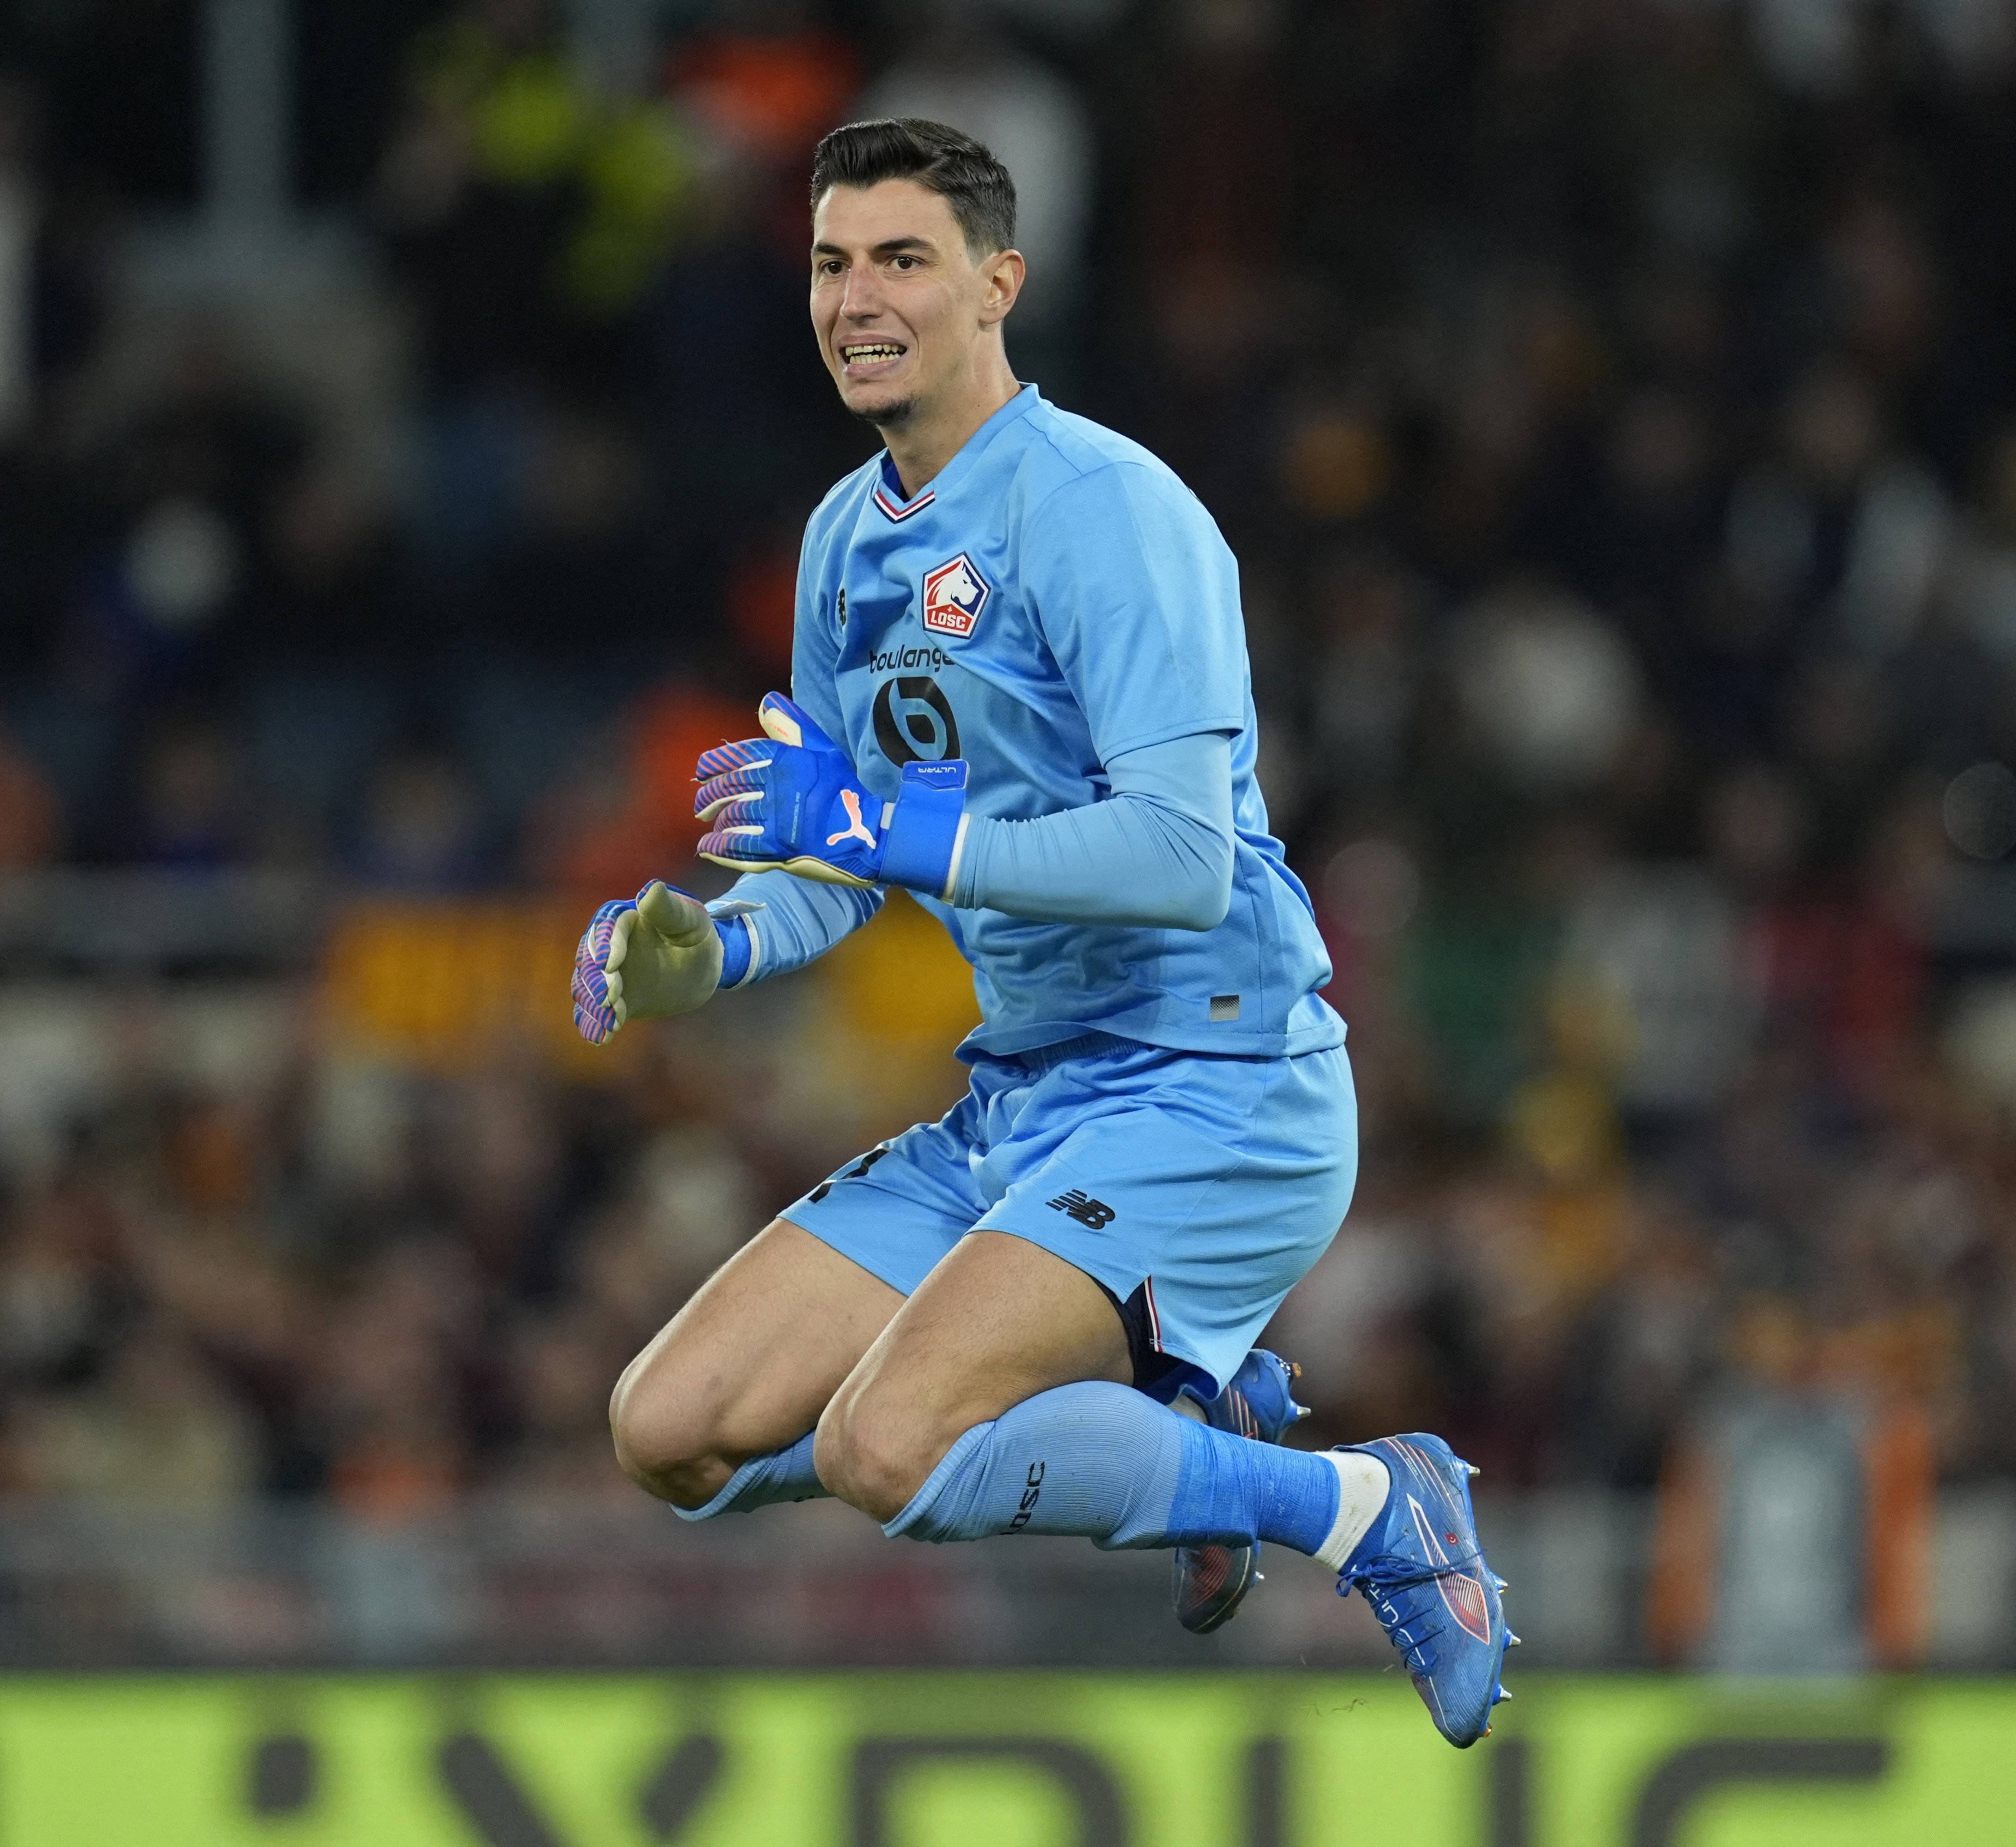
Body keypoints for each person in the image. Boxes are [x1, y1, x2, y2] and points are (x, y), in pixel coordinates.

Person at [569, 119, 1515, 1744]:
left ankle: (1360, 1501)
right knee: (670, 1427)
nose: (857, 299)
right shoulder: (843, 541)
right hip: (1024, 1099)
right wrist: (715, 948)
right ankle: (1176, 1415)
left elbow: (1179, 855)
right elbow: (835, 860)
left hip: (1215, 1087)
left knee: (889, 1444)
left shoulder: (1105, 509)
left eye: (903, 260)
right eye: (831, 264)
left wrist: (879, 834)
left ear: (999, 283)